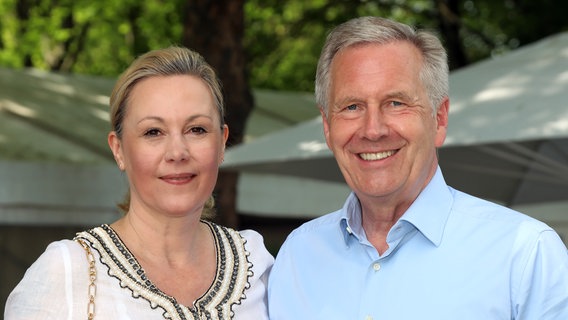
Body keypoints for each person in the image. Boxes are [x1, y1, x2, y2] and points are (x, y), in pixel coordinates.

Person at [267, 16, 568, 320]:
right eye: (352, 107)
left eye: (396, 103)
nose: (373, 130)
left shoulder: (526, 256)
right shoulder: (298, 255)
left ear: (439, 119)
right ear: (328, 127)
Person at [5, 46, 273, 320]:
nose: (177, 152)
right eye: (153, 132)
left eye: (197, 129)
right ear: (119, 149)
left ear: (221, 143)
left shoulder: (254, 263)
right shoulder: (68, 272)